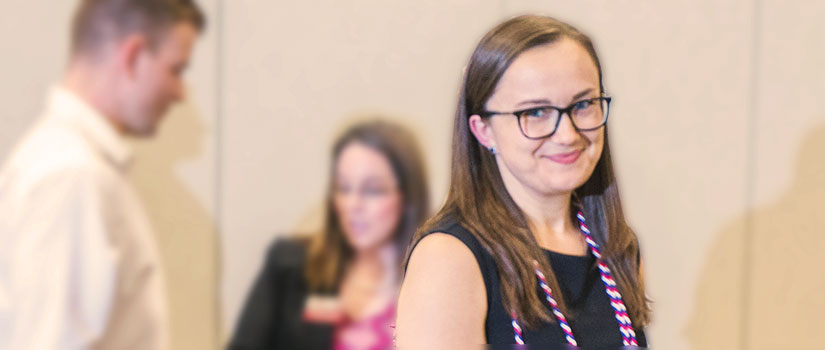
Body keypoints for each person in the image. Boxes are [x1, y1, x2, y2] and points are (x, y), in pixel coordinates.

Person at [396, 15, 651, 348]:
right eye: (535, 112)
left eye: (583, 104)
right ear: (482, 129)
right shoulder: (450, 257)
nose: (567, 134)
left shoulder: (617, 247)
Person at [0, 0, 205, 349]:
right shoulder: (71, 174)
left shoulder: (67, 163)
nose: (180, 93)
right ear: (133, 55)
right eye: (176, 70)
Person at [229, 120, 430, 350]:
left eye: (372, 190)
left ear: (409, 198)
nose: (353, 205)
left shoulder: (436, 283)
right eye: (343, 188)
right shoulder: (291, 266)